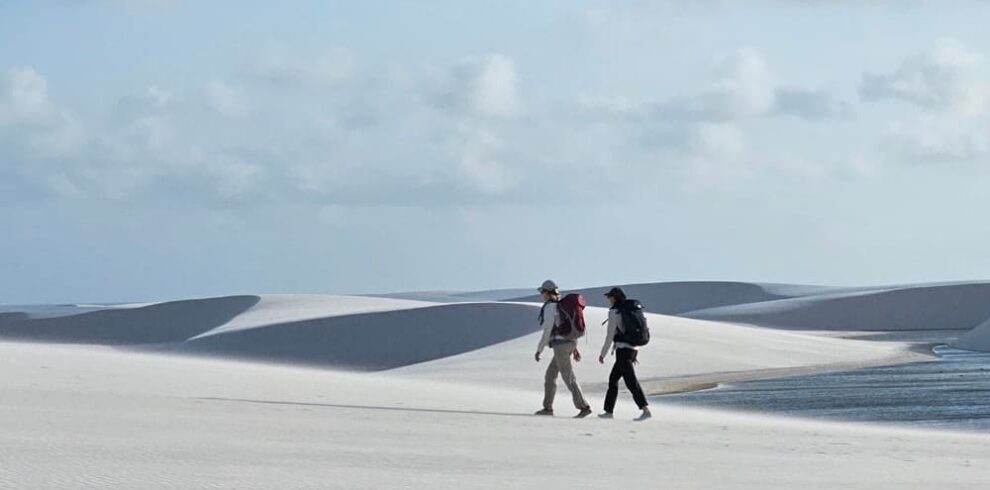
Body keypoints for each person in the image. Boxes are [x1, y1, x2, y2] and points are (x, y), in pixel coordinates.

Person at [533, 279, 592, 418]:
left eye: (542, 292)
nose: (542, 294)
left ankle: (584, 406)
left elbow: (547, 329)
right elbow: (569, 329)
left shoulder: (550, 308)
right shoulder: (560, 306)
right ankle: (547, 408)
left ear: (548, 293)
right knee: (550, 375)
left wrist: (539, 349)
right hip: (568, 344)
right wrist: (575, 348)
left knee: (568, 376)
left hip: (560, 346)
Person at [598, 287, 651, 421]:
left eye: (609, 297)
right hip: (632, 350)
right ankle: (608, 411)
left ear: (614, 298)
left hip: (623, 351)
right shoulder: (631, 310)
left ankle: (645, 409)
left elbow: (610, 335)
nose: (608, 300)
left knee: (631, 382)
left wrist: (603, 353)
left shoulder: (615, 312)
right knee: (613, 379)